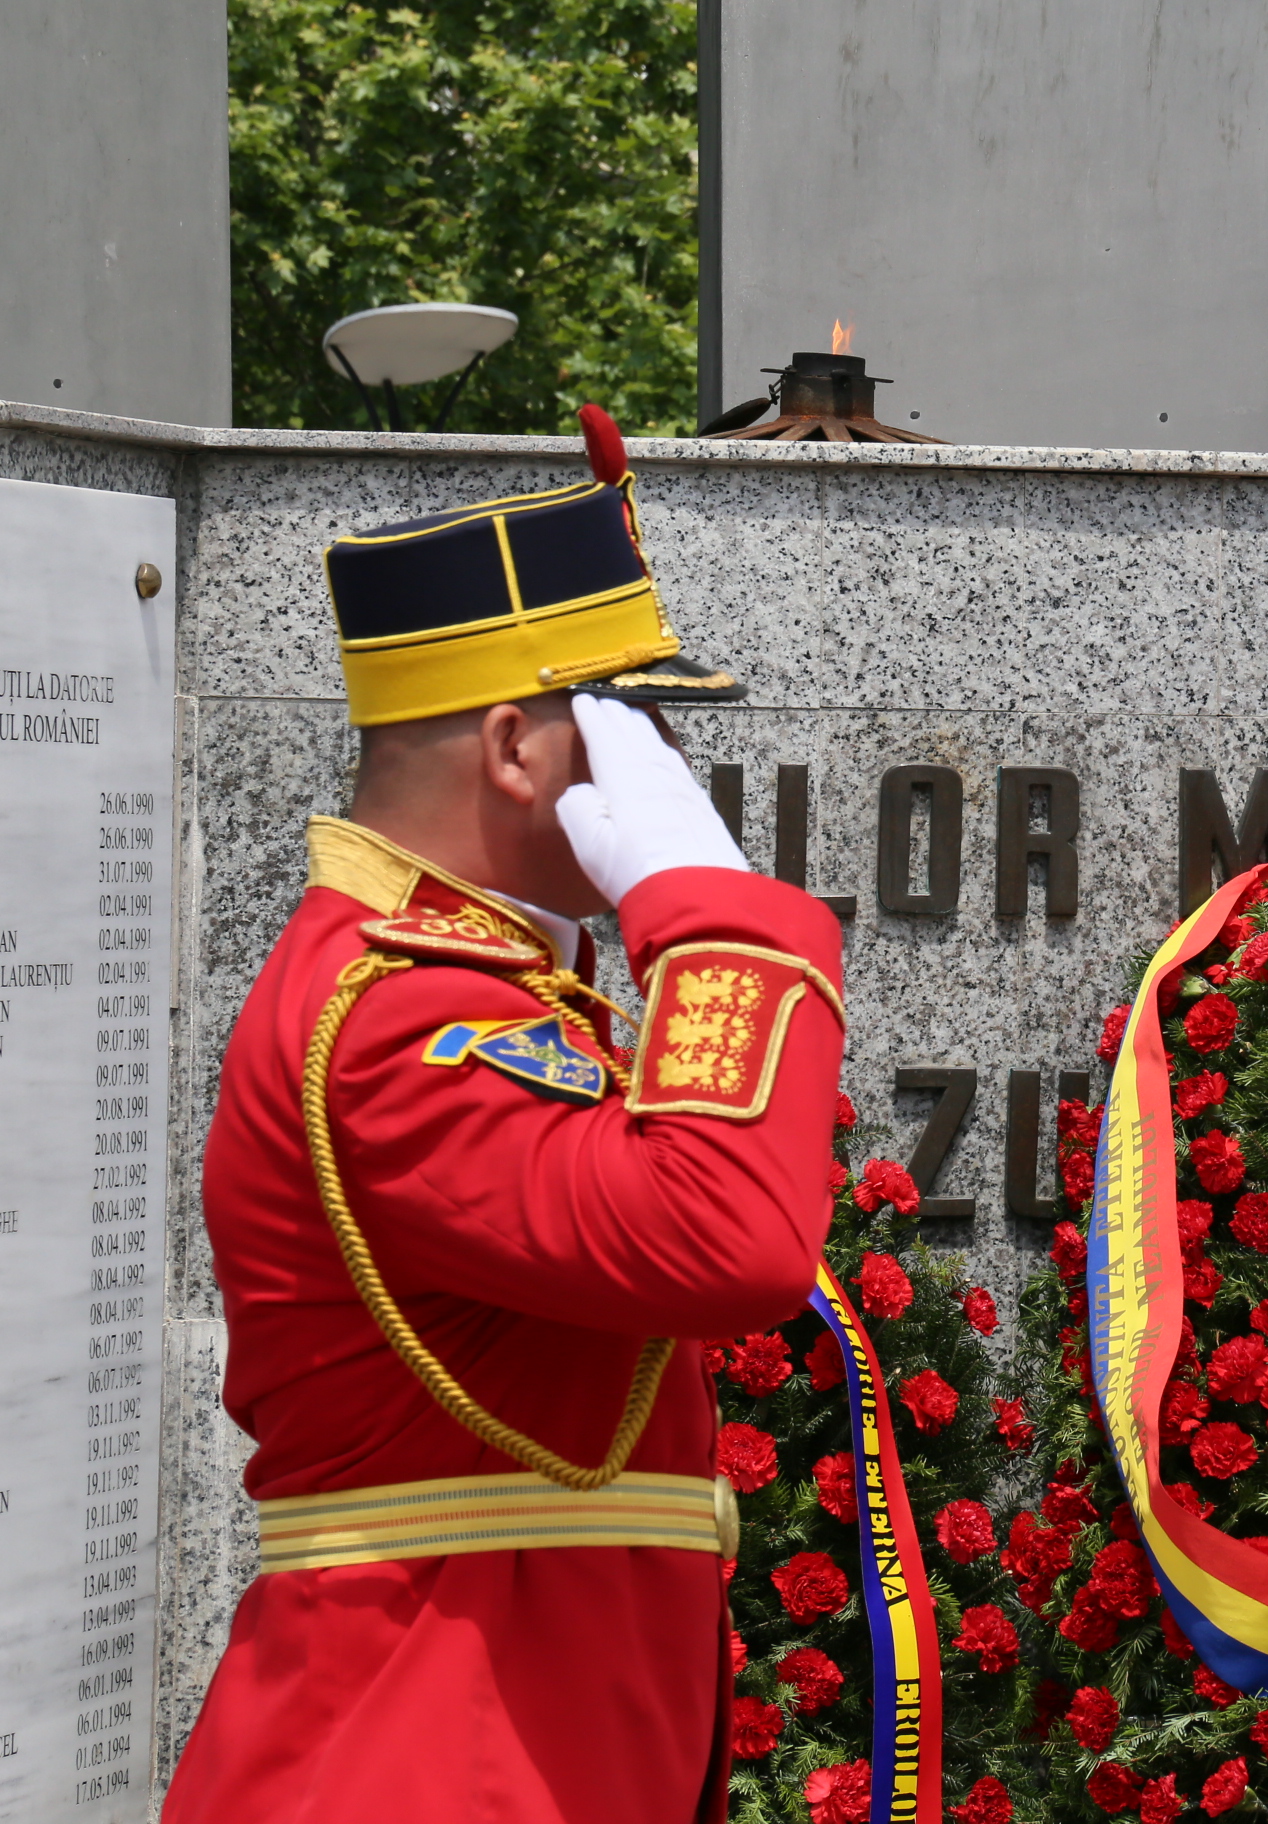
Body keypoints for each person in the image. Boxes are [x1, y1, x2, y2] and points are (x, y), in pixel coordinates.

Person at [162, 411, 845, 1823]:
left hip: (509, 1737)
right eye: (629, 725)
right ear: (517, 749)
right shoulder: (396, 1016)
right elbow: (727, 1241)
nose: (660, 766)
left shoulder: (487, 987)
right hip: (419, 1753)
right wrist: (718, 923)